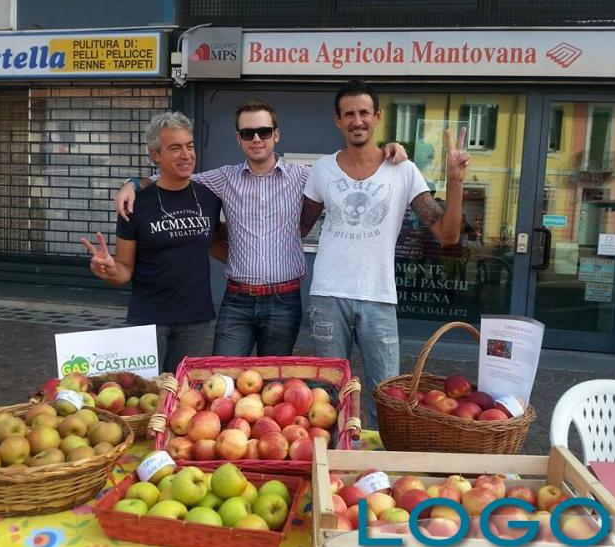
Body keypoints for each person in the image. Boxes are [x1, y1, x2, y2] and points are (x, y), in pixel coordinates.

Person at [113, 100, 407, 357]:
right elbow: (175, 177)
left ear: (276, 135)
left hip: (284, 301)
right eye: (247, 133)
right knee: (224, 381)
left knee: (273, 386)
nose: (256, 139)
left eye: (264, 132)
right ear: (238, 139)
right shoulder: (223, 178)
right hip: (237, 300)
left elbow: (350, 171)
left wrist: (385, 150)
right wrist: (134, 183)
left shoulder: (304, 176)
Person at [299, 79, 469, 428]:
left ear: (377, 116)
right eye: (349, 114)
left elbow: (447, 234)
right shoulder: (321, 169)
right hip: (328, 296)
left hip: (379, 297)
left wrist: (455, 182)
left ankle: (380, 463)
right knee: (328, 398)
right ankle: (333, 458)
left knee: (388, 400)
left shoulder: (403, 170)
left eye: (364, 112)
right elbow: (298, 227)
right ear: (338, 120)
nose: (357, 120)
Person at [81, 112, 223, 372]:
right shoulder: (135, 204)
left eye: (189, 146)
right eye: (175, 148)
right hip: (149, 320)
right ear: (156, 155)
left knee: (181, 390)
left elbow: (213, 244)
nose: (186, 154)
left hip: (196, 319)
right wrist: (110, 271)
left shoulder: (208, 198)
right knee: (146, 390)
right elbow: (124, 269)